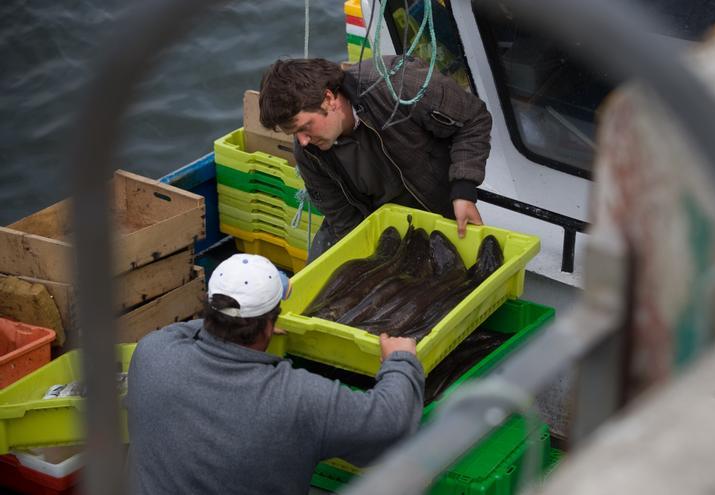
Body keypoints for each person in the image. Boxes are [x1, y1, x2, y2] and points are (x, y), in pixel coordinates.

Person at [126, 253, 424, 494]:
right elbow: (390, 423)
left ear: (209, 306)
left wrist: (245, 320)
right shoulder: (296, 398)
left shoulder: (151, 354)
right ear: (270, 326)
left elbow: (182, 332)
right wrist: (400, 360)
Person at [258, 56, 492, 260]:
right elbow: (344, 219)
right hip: (376, 221)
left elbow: (472, 119)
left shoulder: (400, 84)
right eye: (294, 134)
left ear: (329, 98)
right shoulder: (309, 153)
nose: (303, 141)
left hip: (437, 203)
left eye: (306, 126)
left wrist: (463, 190)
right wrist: (377, 257)